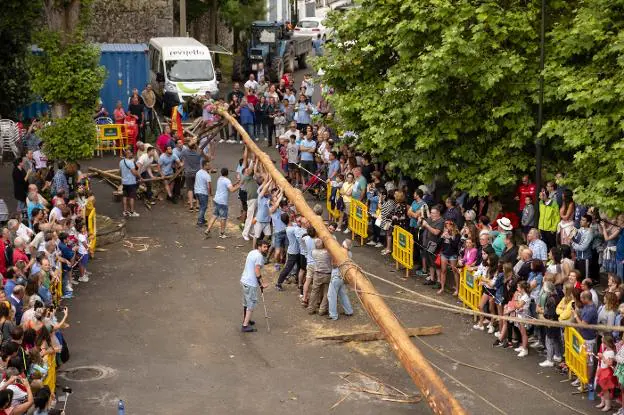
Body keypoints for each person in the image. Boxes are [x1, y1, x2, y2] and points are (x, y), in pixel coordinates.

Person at [240, 240, 270, 333]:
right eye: (264, 247)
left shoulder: (252, 252)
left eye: (267, 247)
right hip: (250, 283)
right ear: (259, 246)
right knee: (251, 304)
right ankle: (245, 326)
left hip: (244, 280)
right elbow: (257, 270)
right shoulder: (259, 256)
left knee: (246, 302)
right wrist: (261, 283)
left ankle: (247, 320)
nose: (266, 248)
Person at [205, 168, 241, 239]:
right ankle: (222, 233)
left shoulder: (220, 179)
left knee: (214, 215)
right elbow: (232, 190)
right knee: (223, 218)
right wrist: (239, 185)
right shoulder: (227, 181)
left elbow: (228, 186)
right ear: (227, 173)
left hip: (216, 200)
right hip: (222, 202)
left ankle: (207, 229)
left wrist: (236, 183)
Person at [328, 239, 354, 320]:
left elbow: (334, 265)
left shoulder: (340, 252)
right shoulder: (349, 253)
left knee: (331, 296)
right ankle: (349, 311)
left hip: (336, 275)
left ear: (343, 245)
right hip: (343, 276)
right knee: (342, 294)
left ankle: (333, 315)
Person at [180, 141, 204, 211]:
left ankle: (191, 206)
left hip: (188, 173)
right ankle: (197, 205)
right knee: (197, 189)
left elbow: (181, 157)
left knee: (190, 189)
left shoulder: (185, 152)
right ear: (195, 146)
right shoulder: (198, 153)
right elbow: (205, 156)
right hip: (197, 173)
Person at [119, 149, 141, 217]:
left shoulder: (121, 162)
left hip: (124, 182)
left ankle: (125, 211)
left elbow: (120, 171)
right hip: (131, 182)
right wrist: (139, 176)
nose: (132, 154)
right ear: (128, 154)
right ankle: (132, 212)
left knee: (125, 196)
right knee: (132, 197)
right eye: (131, 153)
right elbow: (134, 172)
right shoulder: (130, 162)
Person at [571, 214, 594, 279]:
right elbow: (576, 241)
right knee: (578, 278)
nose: (580, 221)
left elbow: (582, 247)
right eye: (581, 219)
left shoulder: (589, 233)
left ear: (588, 222)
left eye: (583, 220)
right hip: (578, 258)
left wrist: (572, 242)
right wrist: (572, 236)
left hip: (585, 259)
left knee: (585, 279)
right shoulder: (580, 229)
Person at [194, 160, 213, 228]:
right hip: (203, 192)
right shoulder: (207, 175)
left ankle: (202, 219)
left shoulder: (198, 172)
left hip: (197, 191)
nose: (209, 166)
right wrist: (210, 193)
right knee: (203, 207)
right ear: (204, 166)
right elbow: (209, 186)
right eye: (208, 165)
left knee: (202, 206)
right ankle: (199, 221)